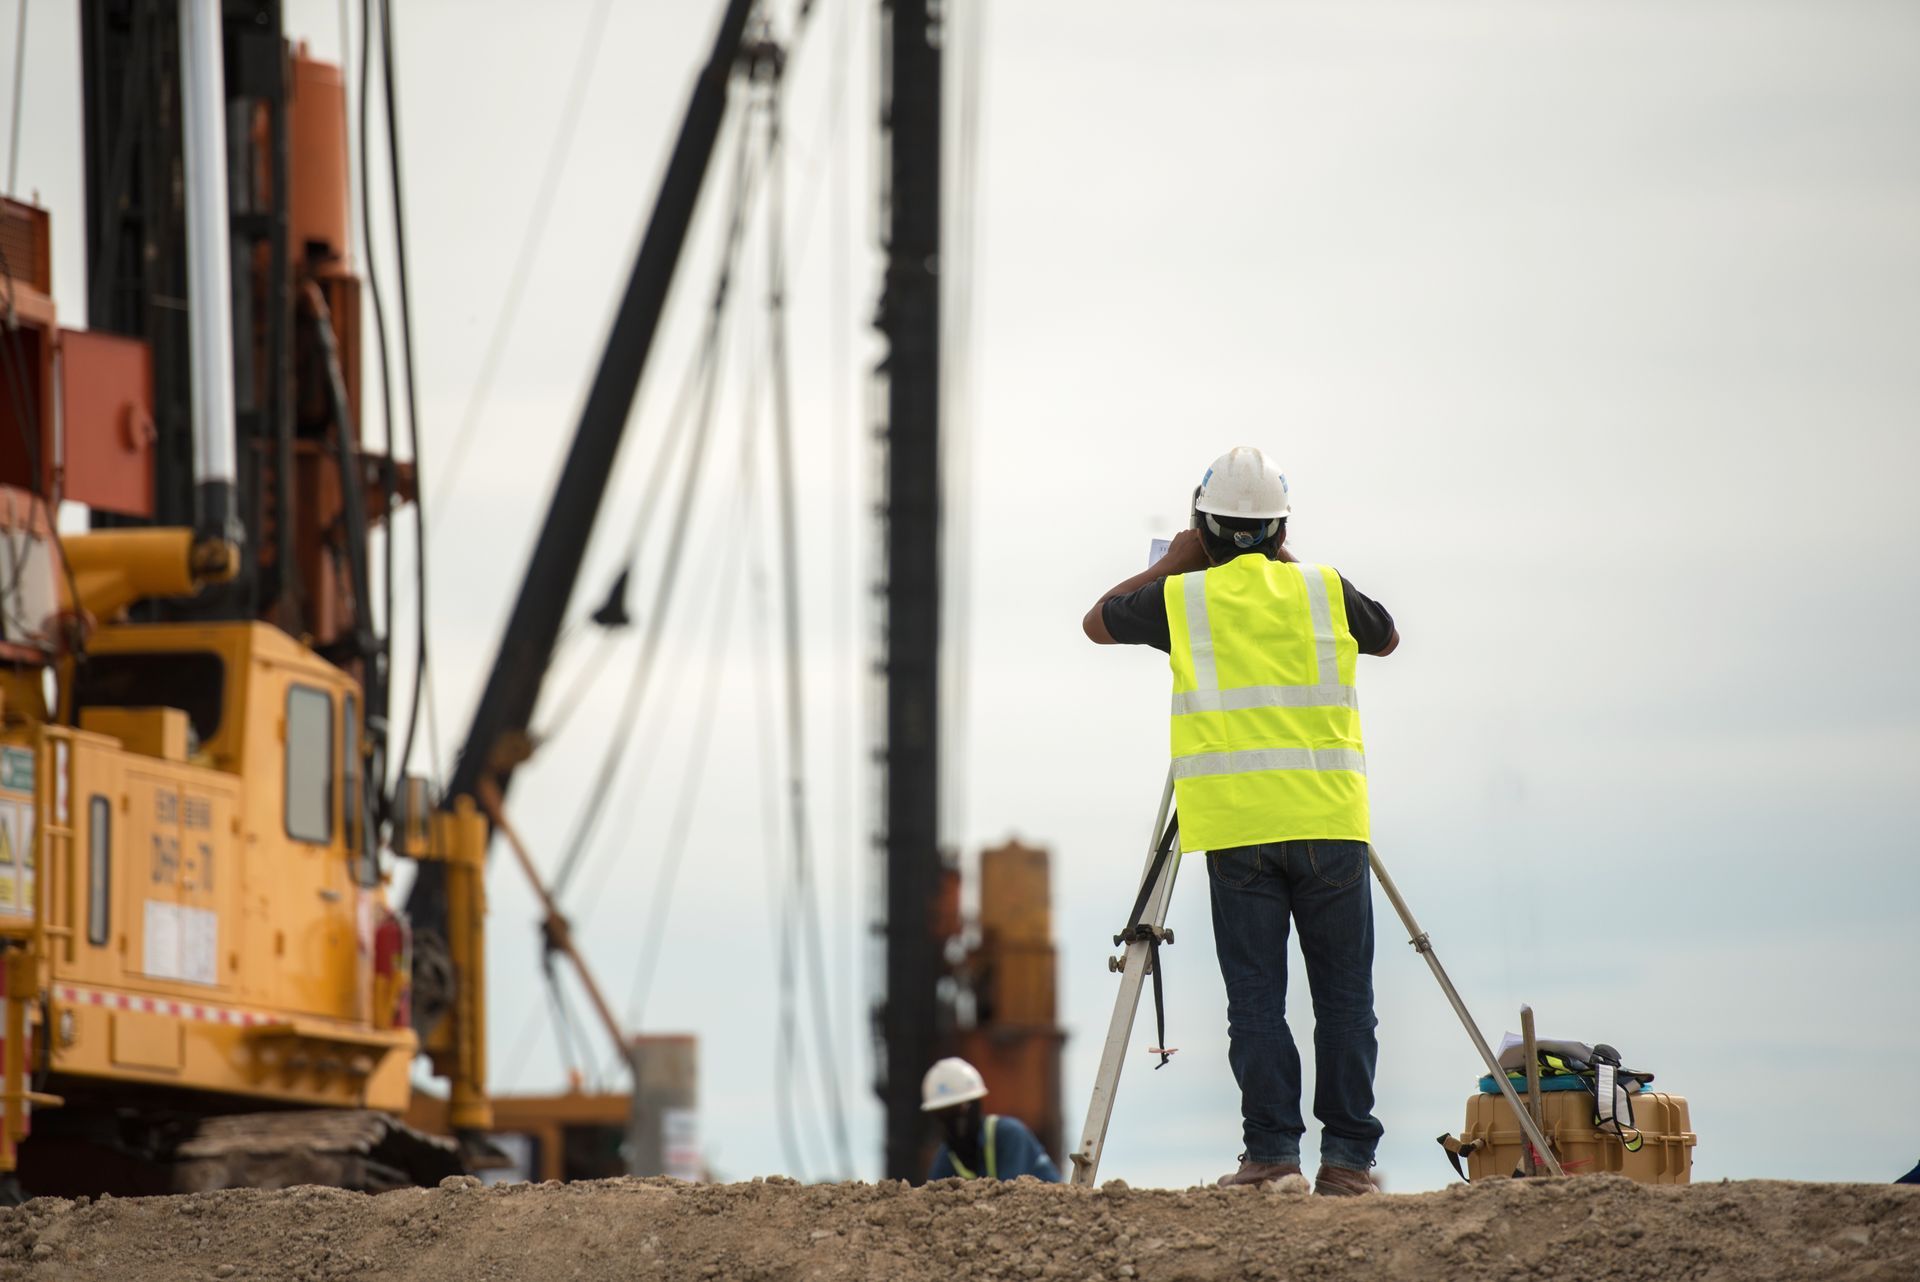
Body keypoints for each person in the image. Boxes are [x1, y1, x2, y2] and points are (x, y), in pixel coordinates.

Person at [1082, 446, 1399, 1197]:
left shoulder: (1185, 599)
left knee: (1256, 999)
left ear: (1205, 525)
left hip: (1236, 830)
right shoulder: (1323, 589)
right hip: (1330, 823)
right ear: (1280, 527)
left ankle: (1272, 1155)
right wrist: (1281, 558)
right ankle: (1349, 1166)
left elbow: (1097, 622)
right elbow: (1384, 635)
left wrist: (1178, 561)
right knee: (1347, 1001)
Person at [922, 1057, 1062, 1183]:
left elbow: (1009, 1196)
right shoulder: (949, 1155)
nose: (953, 1119)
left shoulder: (1010, 1134)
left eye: (959, 1108)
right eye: (944, 1112)